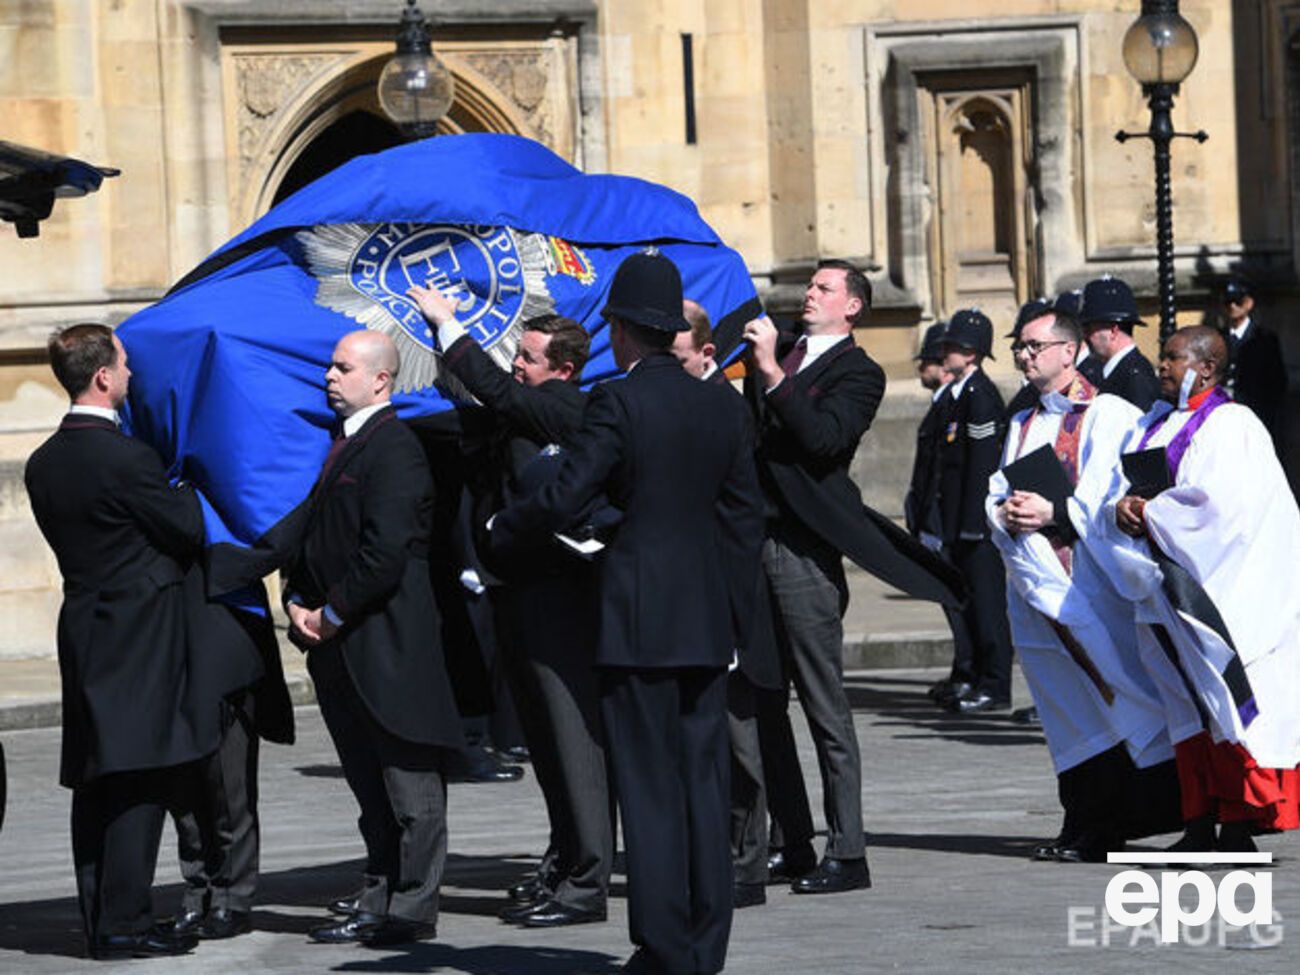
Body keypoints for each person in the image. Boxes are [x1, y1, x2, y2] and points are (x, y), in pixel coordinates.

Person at [490, 250, 764, 975]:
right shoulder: (720, 402)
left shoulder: (618, 400)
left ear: (622, 331)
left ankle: (663, 946)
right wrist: (735, 617)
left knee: (647, 789)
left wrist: (505, 527)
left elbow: (567, 494)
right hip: (705, 623)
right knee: (704, 787)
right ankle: (706, 945)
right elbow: (742, 519)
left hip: (639, 621)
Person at [408, 284, 613, 929]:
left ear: (564, 369)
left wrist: (449, 324)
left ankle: (587, 880)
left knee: (572, 739)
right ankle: (565, 858)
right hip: (518, 593)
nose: (518, 364)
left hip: (561, 597)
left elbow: (498, 392)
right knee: (545, 744)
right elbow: (473, 406)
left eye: (528, 357)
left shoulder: (569, 408)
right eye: (518, 355)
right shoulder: (525, 410)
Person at [24, 324, 208, 959]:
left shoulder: (45, 461)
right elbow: (185, 529)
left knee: (97, 778)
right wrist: (181, 489)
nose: (130, 375)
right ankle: (125, 923)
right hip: (139, 630)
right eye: (125, 365)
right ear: (103, 377)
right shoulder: (127, 459)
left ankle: (101, 916)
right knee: (138, 776)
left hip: (84, 626)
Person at [284, 329, 463, 947]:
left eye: (342, 367)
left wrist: (330, 613)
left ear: (380, 379)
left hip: (388, 646)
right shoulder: (341, 445)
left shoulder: (396, 449)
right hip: (340, 648)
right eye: (330, 366)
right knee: (370, 789)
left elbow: (384, 553)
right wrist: (296, 598)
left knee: (410, 787)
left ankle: (412, 908)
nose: (329, 376)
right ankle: (377, 893)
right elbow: (316, 535)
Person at [987, 309, 1177, 862]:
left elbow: (1111, 495)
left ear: (1069, 352)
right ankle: (1082, 818)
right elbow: (998, 485)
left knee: (1107, 695)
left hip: (1089, 586)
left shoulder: (1110, 412)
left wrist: (1053, 509)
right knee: (1065, 708)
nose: (1024, 355)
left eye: (1034, 346)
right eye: (1019, 348)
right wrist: (1004, 511)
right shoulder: (1022, 419)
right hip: (1036, 588)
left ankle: (1114, 821)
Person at [1106, 326, 1300, 851]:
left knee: (1222, 702)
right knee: (1182, 704)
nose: (1161, 366)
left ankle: (1237, 824)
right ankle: (1197, 820)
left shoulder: (1232, 425)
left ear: (1206, 367)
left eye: (1171, 358)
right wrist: (1121, 507)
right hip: (1160, 584)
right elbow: (1125, 486)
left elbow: (1223, 507)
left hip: (1215, 587)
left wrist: (1152, 512)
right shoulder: (1157, 422)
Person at [673, 299, 784, 910]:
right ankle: (724, 851)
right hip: (696, 593)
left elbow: (737, 520)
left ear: (706, 352)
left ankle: (747, 860)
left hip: (727, 596)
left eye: (679, 355)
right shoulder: (692, 401)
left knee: (739, 739)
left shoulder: (723, 408)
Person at [935, 309, 1014, 713]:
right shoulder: (960, 393)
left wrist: (971, 526)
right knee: (970, 605)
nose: (944, 352)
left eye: (952, 346)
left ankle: (996, 684)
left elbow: (981, 466)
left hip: (974, 526)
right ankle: (979, 677)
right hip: (958, 524)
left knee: (987, 607)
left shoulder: (980, 396)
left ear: (971, 353)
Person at [906, 322, 978, 709]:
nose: (921, 370)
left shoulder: (960, 400)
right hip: (933, 516)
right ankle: (962, 668)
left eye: (927, 363)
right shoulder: (943, 403)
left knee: (959, 600)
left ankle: (971, 671)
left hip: (945, 518)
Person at [1219, 277, 1288, 447]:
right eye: (1228, 302)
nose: (1233, 306)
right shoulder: (1217, 338)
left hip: (1256, 415)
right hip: (1223, 416)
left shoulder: (1265, 339)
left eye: (1238, 301)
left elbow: (1277, 381)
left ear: (1249, 303)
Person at [1078, 275, 1161, 411]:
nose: (1085, 335)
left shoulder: (1135, 375)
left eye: (1089, 328)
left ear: (1113, 330)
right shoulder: (1119, 370)